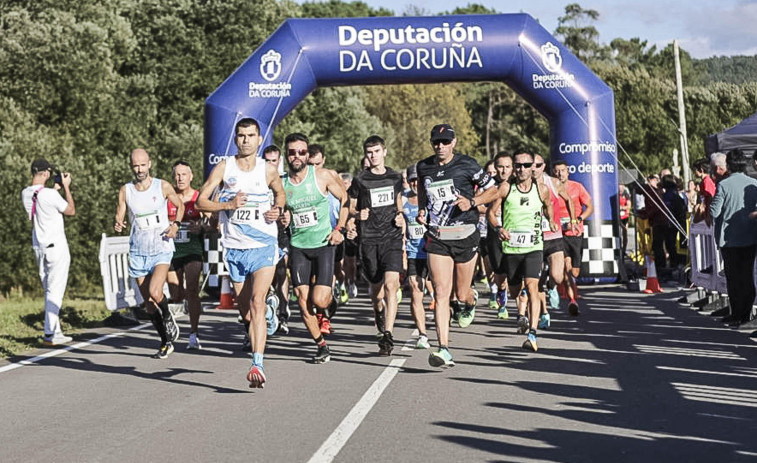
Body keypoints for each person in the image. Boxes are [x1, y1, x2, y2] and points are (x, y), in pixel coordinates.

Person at [196, 118, 285, 388]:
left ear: (259, 140)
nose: (245, 140)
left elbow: (280, 195)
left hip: (263, 246)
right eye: (241, 136)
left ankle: (257, 363)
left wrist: (278, 209)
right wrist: (228, 204)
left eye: (251, 136)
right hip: (235, 247)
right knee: (247, 312)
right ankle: (269, 312)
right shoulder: (224, 167)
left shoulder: (267, 170)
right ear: (236, 139)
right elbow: (201, 200)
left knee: (256, 302)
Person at [416, 123, 498, 367]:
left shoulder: (468, 164)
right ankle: (443, 348)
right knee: (441, 292)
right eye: (436, 142)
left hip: (465, 235)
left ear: (454, 142)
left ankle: (470, 301)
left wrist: (472, 202)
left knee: (461, 294)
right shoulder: (424, 166)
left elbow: (494, 190)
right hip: (438, 236)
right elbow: (423, 190)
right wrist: (422, 209)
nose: (440, 146)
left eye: (445, 142)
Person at [282, 132, 349, 364]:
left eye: (302, 152)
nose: (297, 156)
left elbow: (346, 200)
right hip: (298, 246)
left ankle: (331, 301)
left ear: (307, 154)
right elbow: (282, 210)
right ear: (287, 155)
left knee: (319, 300)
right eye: (292, 152)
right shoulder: (281, 183)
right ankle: (321, 345)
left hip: (323, 244)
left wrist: (339, 229)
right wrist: (283, 218)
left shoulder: (323, 176)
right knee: (302, 298)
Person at [114, 149, 185, 359]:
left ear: (149, 164)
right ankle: (165, 341)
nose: (139, 170)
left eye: (143, 165)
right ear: (131, 166)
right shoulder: (126, 190)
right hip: (138, 250)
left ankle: (168, 316)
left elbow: (180, 206)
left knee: (156, 291)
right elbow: (120, 212)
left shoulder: (162, 186)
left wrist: (176, 225)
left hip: (161, 247)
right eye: (136, 166)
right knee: (149, 304)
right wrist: (118, 222)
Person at [488, 152, 556, 352]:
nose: (522, 169)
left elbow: (548, 205)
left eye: (527, 165)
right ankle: (520, 306)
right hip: (512, 249)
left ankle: (532, 333)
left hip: (534, 247)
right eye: (518, 165)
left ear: (532, 167)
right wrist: (499, 228)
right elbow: (491, 213)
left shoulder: (541, 189)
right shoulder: (506, 188)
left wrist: (550, 219)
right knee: (516, 290)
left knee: (533, 287)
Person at [348, 135, 405, 355]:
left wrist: (400, 216)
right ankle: (378, 312)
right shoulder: (360, 179)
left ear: (384, 152)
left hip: (390, 237)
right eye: (369, 153)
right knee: (377, 291)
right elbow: (351, 207)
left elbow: (398, 204)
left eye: (377, 151)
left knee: (392, 285)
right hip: (369, 239)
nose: (373, 156)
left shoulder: (395, 177)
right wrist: (356, 214)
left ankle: (388, 335)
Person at [21, 159, 76, 346]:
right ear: (45, 173)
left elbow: (42, 200)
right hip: (56, 246)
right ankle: (49, 334)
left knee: (48, 290)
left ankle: (55, 330)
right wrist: (66, 188)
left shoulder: (26, 193)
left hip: (39, 246)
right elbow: (70, 210)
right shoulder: (49, 196)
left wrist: (56, 189)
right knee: (56, 291)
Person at [710, 149, 757, 331]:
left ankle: (736, 313)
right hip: (750, 237)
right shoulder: (753, 183)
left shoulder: (723, 185)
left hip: (729, 239)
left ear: (728, 165)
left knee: (733, 277)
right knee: (746, 275)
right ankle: (746, 314)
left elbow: (714, 211)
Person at [166, 161, 210, 350]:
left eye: (184, 174)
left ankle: (194, 332)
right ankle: (173, 318)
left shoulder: (198, 198)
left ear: (191, 176)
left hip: (193, 250)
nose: (180, 178)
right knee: (175, 294)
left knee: (192, 289)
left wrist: (201, 226)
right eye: (177, 175)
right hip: (172, 251)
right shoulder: (167, 198)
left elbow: (212, 224)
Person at [532, 154, 575, 328]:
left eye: (538, 165)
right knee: (536, 281)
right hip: (534, 238)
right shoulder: (521, 186)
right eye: (530, 165)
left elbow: (569, 200)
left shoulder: (553, 183)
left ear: (544, 167)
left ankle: (553, 286)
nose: (533, 168)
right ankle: (544, 312)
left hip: (554, 235)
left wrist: (573, 220)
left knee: (557, 276)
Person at [552, 160, 594, 315]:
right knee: (566, 267)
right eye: (557, 171)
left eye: (562, 170)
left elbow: (590, 207)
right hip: (558, 234)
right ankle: (572, 300)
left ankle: (568, 292)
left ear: (568, 171)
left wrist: (579, 219)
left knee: (574, 271)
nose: (560, 174)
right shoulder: (551, 188)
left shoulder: (577, 187)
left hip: (575, 233)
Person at [401, 164, 431, 349]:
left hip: (435, 251)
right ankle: (423, 334)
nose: (414, 183)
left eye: (417, 180)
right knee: (415, 290)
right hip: (413, 252)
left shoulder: (431, 198)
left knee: (442, 291)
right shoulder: (402, 199)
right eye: (412, 180)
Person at [264, 144, 293, 335]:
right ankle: (268, 307)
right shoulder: (257, 179)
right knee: (264, 274)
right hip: (263, 232)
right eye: (267, 161)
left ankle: (282, 312)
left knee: (281, 271)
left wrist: (288, 214)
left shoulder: (286, 181)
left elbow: (294, 203)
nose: (271, 165)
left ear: (279, 161)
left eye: (274, 161)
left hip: (282, 233)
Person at [619, 182, 631, 257]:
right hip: (618, 216)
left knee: (625, 232)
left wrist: (622, 208)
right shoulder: (616, 194)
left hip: (625, 216)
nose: (620, 188)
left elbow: (629, 206)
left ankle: (624, 250)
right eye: (619, 186)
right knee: (618, 233)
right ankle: (619, 248)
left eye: (622, 186)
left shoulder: (626, 194)